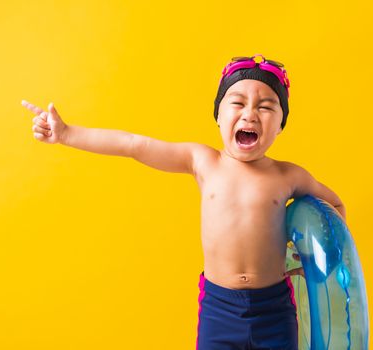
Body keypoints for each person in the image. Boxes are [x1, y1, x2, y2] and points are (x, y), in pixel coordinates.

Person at [21, 53, 346, 350]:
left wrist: (317, 259)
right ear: (218, 115)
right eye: (237, 103)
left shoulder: (288, 176)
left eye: (265, 106)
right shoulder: (203, 161)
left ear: (280, 124)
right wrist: (67, 134)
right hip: (221, 308)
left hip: (274, 307)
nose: (250, 113)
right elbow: (134, 144)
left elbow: (335, 208)